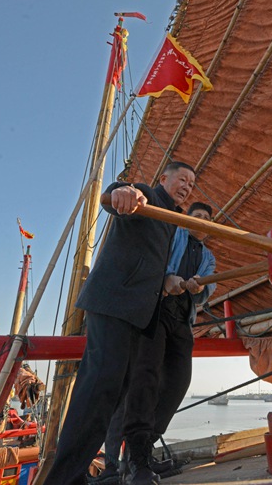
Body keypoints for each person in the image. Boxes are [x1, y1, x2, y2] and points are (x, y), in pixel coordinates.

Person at [40, 161, 196, 485]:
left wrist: (166, 280)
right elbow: (117, 194)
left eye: (192, 184)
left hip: (137, 315)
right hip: (114, 304)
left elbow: (147, 260)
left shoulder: (171, 221)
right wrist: (122, 191)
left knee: (112, 395)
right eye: (182, 179)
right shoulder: (147, 196)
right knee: (98, 389)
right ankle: (65, 478)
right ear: (163, 178)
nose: (187, 186)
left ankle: (77, 472)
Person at [95, 202, 218, 485]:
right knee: (143, 380)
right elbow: (153, 259)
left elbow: (207, 292)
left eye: (207, 220)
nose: (201, 222)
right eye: (197, 216)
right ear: (187, 220)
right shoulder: (172, 235)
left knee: (178, 382)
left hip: (181, 320)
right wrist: (166, 278)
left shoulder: (209, 257)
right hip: (155, 311)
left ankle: (143, 452)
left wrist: (201, 287)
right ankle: (125, 462)